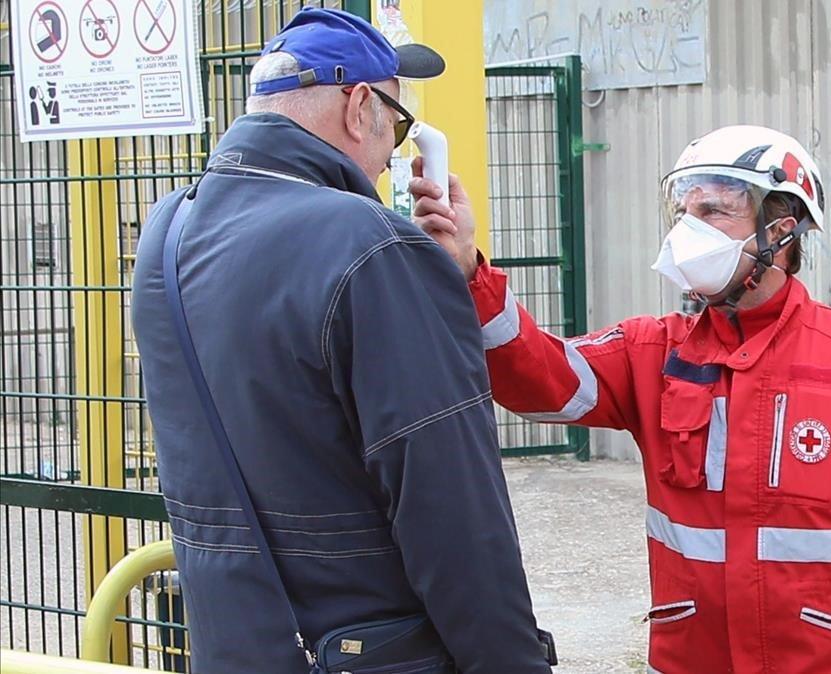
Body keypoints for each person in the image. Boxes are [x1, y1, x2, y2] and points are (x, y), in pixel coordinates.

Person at [412, 124, 831, 672]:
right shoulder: (652, 350)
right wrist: (469, 271)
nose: (686, 230)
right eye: (682, 210)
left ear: (782, 228)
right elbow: (539, 382)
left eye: (713, 210)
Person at [131, 8, 551, 673]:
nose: (394, 157)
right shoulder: (375, 249)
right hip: (372, 654)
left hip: (236, 648)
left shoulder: (166, 233)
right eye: (399, 125)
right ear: (360, 107)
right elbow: (453, 516)